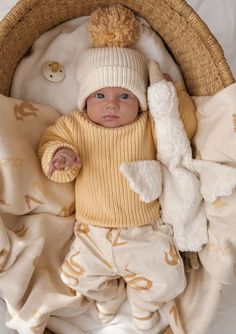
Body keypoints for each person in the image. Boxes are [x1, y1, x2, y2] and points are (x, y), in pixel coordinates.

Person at [38, 4, 197, 330]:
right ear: (85, 100)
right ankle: (107, 296)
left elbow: (183, 127)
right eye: (100, 95)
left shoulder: (146, 124)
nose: (111, 103)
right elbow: (48, 144)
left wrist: (172, 96)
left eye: (125, 95)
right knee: (76, 276)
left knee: (168, 280)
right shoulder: (75, 126)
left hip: (145, 230)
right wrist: (61, 157)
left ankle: (143, 303)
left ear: (140, 101)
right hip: (91, 232)